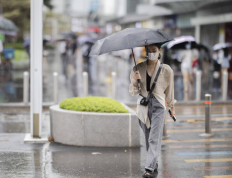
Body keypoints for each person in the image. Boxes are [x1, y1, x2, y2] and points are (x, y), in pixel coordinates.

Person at [129, 43, 177, 177]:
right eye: (149, 51)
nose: (151, 53)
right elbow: (133, 92)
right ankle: (154, 164)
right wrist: (135, 81)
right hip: (143, 106)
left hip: (159, 106)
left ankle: (149, 169)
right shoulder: (137, 68)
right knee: (147, 138)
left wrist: (172, 107)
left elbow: (170, 91)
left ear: (159, 51)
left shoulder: (166, 70)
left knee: (154, 139)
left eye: (154, 50)